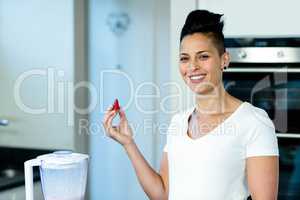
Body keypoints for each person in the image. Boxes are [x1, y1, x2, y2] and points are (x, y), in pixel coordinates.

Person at [102, 10, 279, 200]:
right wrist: (129, 143)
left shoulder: (254, 122)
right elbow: (162, 194)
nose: (192, 66)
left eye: (203, 56)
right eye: (185, 58)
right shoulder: (178, 122)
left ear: (224, 59)